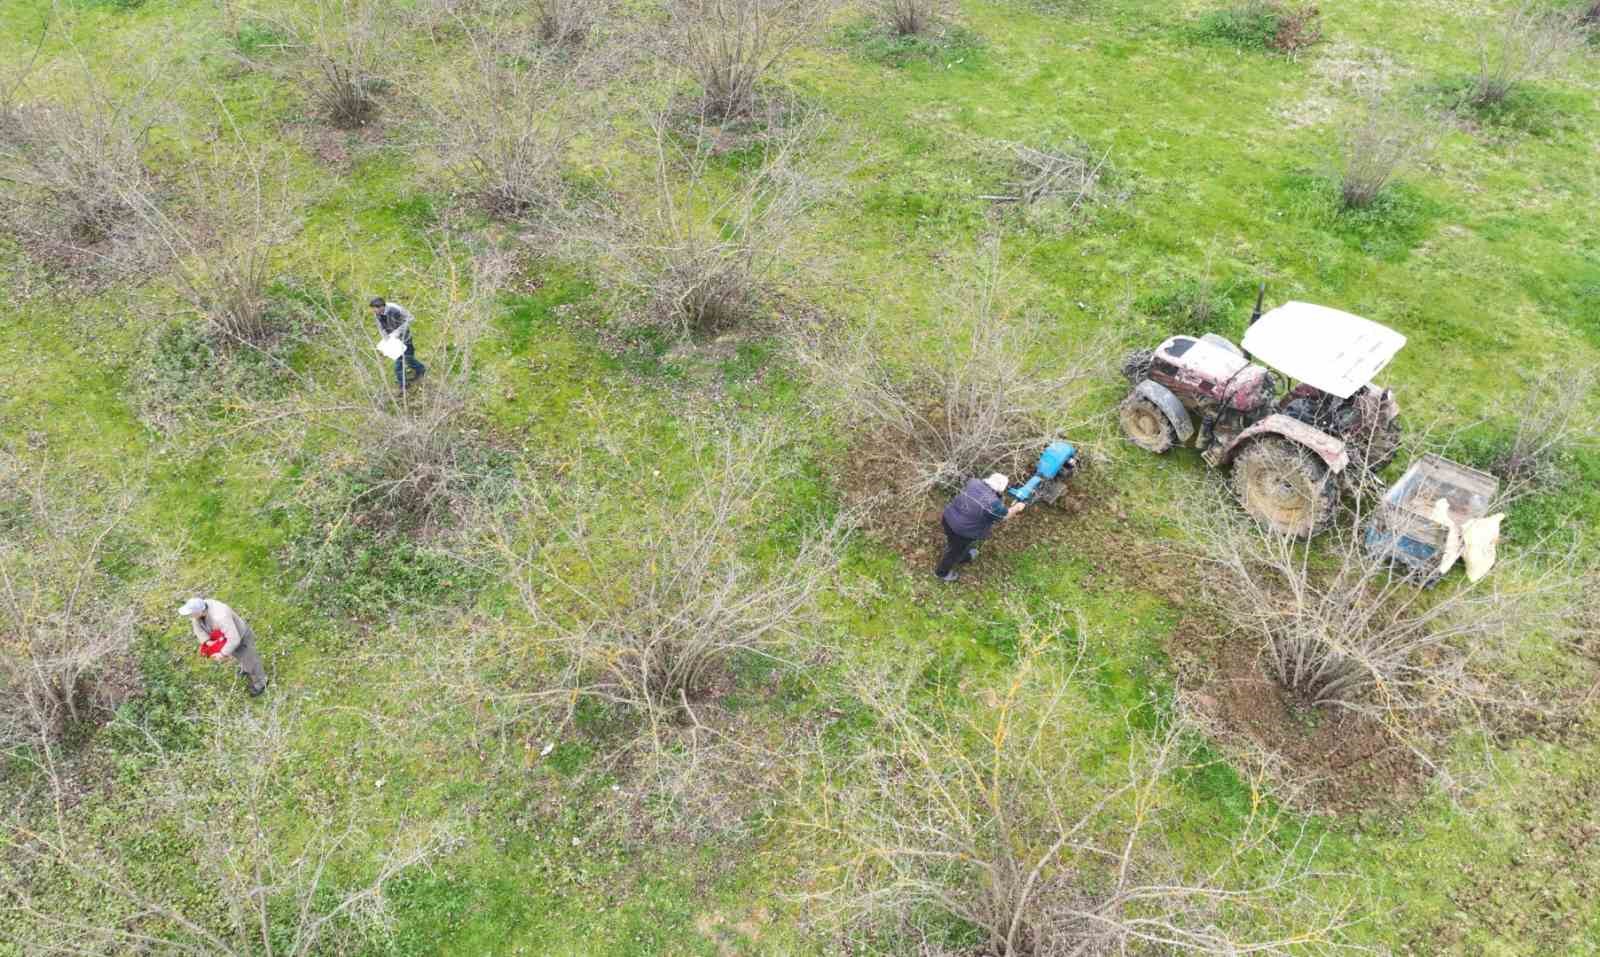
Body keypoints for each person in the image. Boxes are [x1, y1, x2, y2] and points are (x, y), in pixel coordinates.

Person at [935, 473, 1026, 582]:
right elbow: (1005, 516)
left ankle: (961, 554)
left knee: (955, 543)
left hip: (948, 518)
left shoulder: (974, 483)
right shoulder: (995, 504)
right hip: (963, 531)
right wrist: (1017, 508)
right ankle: (941, 573)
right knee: (954, 552)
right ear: (1000, 489)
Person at [179, 597, 269, 696]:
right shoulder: (197, 614)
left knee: (250, 660)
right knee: (239, 656)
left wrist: (222, 653)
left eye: (191, 614)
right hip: (225, 638)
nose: (189, 616)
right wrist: (208, 642)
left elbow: (234, 639)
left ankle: (261, 683)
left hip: (241, 637)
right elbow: (198, 629)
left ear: (200, 611)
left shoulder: (220, 616)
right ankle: (246, 669)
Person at [371, 297, 425, 389]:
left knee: (404, 359)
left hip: (405, 337)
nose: (374, 312)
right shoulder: (377, 313)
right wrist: (385, 339)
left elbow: (410, 318)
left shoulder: (395, 309)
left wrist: (397, 332)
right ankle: (413, 374)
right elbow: (380, 326)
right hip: (393, 341)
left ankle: (406, 382)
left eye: (375, 309)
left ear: (381, 307)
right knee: (403, 360)